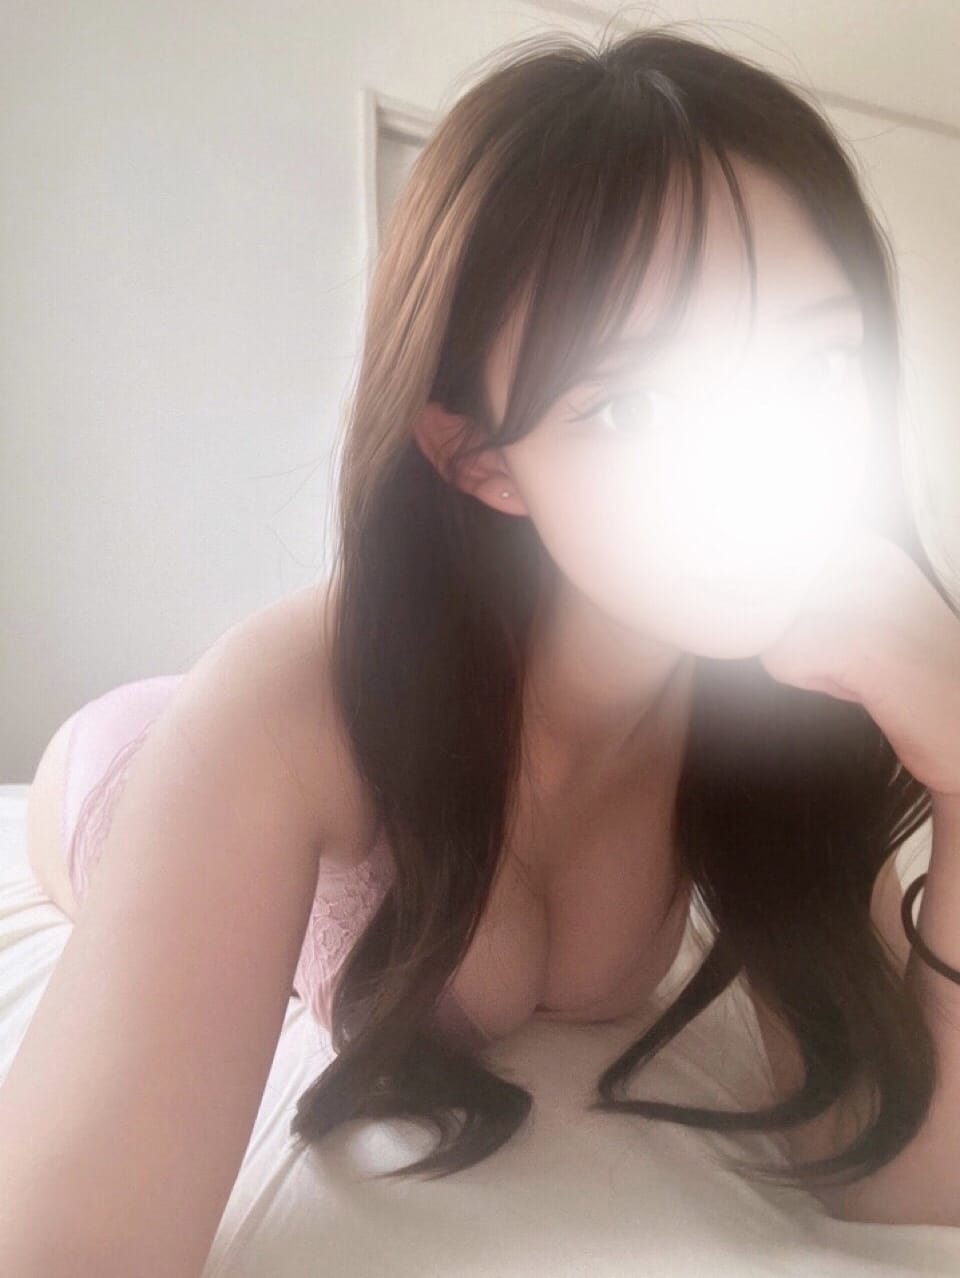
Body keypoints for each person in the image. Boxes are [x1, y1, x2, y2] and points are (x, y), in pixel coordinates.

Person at [4, 23, 958, 1275]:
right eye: (635, 405)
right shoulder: (292, 703)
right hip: (131, 760)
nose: (760, 460)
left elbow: (911, 1183)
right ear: (478, 458)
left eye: (818, 365)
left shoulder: (794, 705)